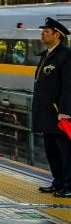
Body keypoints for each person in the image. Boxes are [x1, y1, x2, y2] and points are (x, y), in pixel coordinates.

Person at [33, 16, 71, 197]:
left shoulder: (66, 56)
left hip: (59, 115)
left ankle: (69, 186)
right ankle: (58, 182)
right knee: (52, 151)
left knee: (66, 152)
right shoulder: (47, 55)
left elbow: (68, 86)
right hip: (47, 113)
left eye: (46, 32)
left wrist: (64, 111)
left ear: (57, 35)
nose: (42, 34)